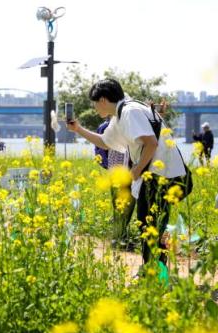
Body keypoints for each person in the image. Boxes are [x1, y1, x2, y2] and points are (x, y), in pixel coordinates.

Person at [68, 79, 188, 267]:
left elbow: (151, 143)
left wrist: (137, 169)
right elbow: (105, 142)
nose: (94, 107)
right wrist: (78, 129)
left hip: (160, 174)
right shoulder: (120, 115)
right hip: (153, 173)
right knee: (147, 223)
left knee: (149, 224)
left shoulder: (129, 112)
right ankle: (154, 269)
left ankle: (153, 271)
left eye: (94, 102)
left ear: (103, 100)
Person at [95, 119, 135, 250]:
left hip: (130, 172)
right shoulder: (106, 127)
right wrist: (110, 168)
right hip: (117, 172)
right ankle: (118, 240)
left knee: (127, 207)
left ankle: (120, 238)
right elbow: (100, 151)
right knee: (120, 207)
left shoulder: (129, 125)